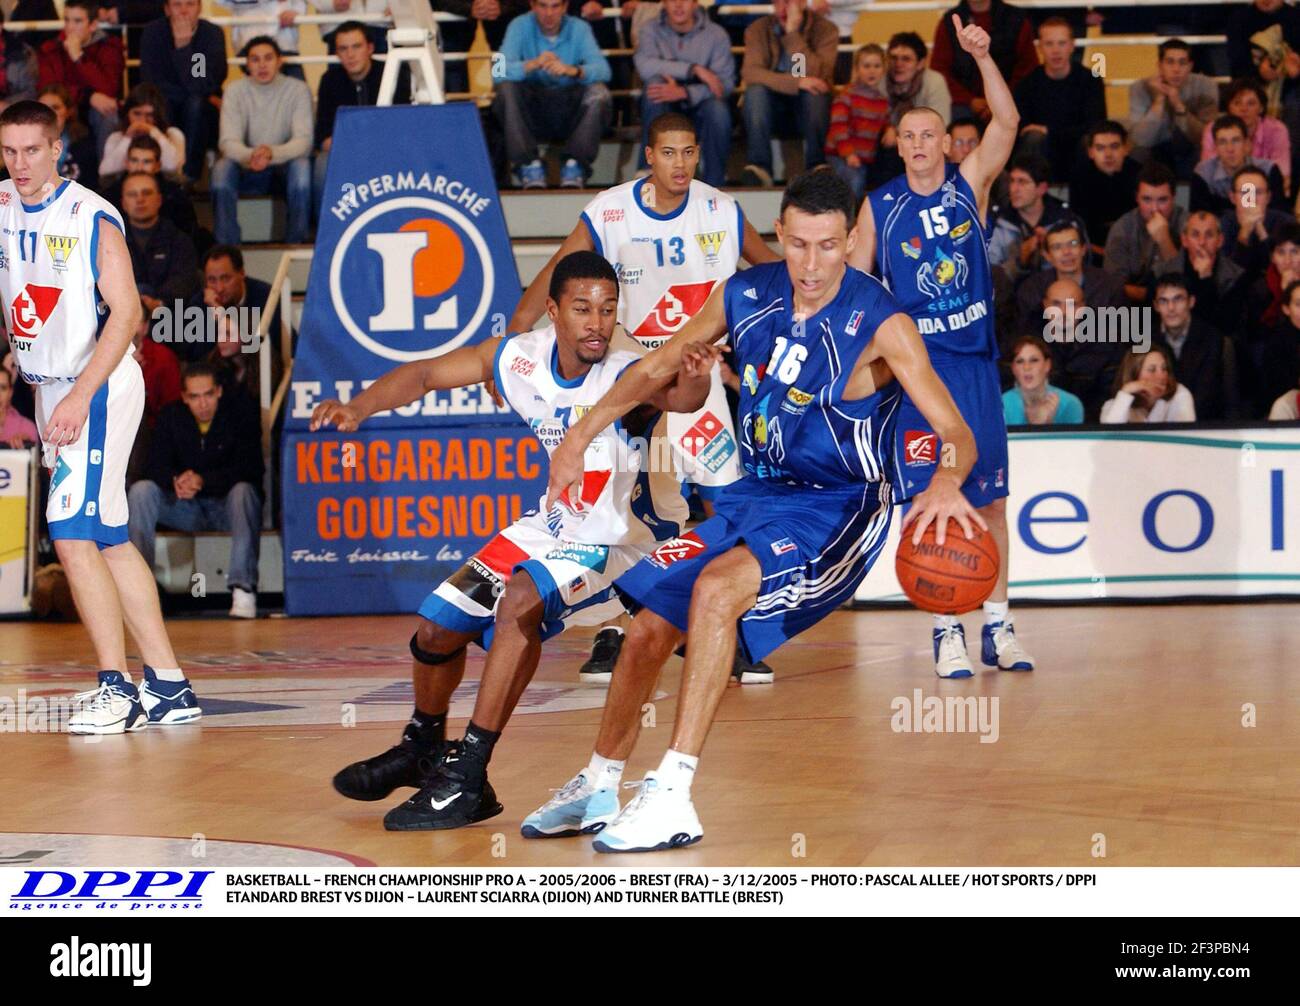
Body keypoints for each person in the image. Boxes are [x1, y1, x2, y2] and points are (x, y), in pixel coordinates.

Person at [524, 169, 983, 852]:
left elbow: (956, 432)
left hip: (837, 511)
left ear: (852, 239)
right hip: (755, 495)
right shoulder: (745, 294)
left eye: (828, 247)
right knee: (647, 622)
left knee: (714, 592)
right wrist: (578, 441)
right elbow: (653, 370)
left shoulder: (882, 321)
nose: (812, 264)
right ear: (778, 236)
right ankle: (599, 782)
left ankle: (673, 794)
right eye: (798, 245)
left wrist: (946, 483)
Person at [310, 251, 716, 828]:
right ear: (553, 312)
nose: (597, 322)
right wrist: (359, 406)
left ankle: (468, 775)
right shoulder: (518, 359)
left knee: (521, 599)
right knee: (437, 626)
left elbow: (679, 398)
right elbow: (426, 373)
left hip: (625, 540)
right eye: (582, 308)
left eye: (607, 309)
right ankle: (424, 745)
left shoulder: (629, 370)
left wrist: (696, 377)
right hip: (554, 524)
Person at [508, 111, 781, 683]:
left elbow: (772, 274)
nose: (680, 164)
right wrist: (517, 327)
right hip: (629, 378)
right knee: (633, 507)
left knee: (723, 503)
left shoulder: (721, 211)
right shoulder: (611, 211)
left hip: (692, 374)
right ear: (649, 157)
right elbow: (563, 267)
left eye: (689, 153)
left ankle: (729, 631)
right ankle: (615, 628)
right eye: (669, 153)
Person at [0, 99, 199, 733]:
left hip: (100, 383)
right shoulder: (3, 206)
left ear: (57, 149)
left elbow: (128, 314)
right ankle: (168, 685)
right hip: (51, 387)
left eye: (33, 150)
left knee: (69, 529)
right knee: (108, 536)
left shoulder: (89, 216)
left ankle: (116, 686)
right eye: (9, 151)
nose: (20, 163)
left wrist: (82, 393)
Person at [852, 14, 1034, 678]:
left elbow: (1008, 124)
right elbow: (852, 286)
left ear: (945, 142)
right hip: (920, 378)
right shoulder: (879, 206)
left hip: (978, 367)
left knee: (989, 501)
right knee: (934, 497)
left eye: (933, 134)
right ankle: (944, 632)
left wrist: (985, 60)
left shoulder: (971, 184)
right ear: (898, 145)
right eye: (911, 136)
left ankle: (999, 625)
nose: (923, 144)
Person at [128, 362, 264, 618]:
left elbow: (251, 469)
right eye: (195, 396)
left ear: (219, 392)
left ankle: (243, 588)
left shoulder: (239, 414)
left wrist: (203, 480)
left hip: (226, 507)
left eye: (208, 394)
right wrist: (175, 481)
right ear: (184, 397)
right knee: (142, 491)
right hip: (184, 507)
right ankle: (138, 589)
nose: (203, 404)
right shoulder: (171, 416)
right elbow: (154, 465)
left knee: (244, 492)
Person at [492, 0, 613, 189]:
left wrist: (573, 70)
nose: (549, 13)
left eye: (555, 6)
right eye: (543, 5)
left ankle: (575, 164)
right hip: (532, 110)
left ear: (565, 7)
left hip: (569, 109)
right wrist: (532, 64)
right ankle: (527, 164)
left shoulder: (579, 27)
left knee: (599, 92)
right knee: (505, 89)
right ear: (532, 5)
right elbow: (496, 70)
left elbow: (604, 70)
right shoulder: (518, 25)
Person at [212, 36, 312, 245]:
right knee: (221, 170)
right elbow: (227, 142)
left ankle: (296, 241)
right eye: (255, 59)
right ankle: (228, 245)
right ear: (247, 64)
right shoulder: (235, 90)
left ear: (279, 61)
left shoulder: (298, 89)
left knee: (302, 169)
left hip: (283, 165)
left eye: (268, 58)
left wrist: (271, 153)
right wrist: (251, 155)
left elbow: (304, 141)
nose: (262, 65)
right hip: (246, 164)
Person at [313, 21, 410, 217]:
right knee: (323, 165)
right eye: (343, 48)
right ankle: (327, 227)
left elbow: (402, 126)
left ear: (370, 48)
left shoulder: (393, 74)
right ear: (337, 54)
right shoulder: (329, 80)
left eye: (356, 46)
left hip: (386, 149)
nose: (350, 54)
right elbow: (322, 136)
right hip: (345, 153)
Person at [633, 0, 733, 188]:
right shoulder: (650, 29)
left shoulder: (716, 34)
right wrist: (693, 70)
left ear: (696, 3)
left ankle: (715, 184)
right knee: (655, 87)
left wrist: (685, 92)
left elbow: (723, 86)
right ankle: (648, 174)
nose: (678, 5)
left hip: (702, 105)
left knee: (718, 109)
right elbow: (645, 66)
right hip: (665, 105)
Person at [738, 0, 837, 187]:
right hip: (771, 106)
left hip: (806, 106)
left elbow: (818, 75)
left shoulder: (825, 29)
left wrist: (793, 35)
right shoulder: (758, 29)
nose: (784, 8)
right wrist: (797, 82)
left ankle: (817, 165)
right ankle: (759, 167)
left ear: (801, 3)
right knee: (755, 93)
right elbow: (751, 73)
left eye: (789, 1)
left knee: (815, 94)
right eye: (779, 2)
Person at [139, 0, 227, 182]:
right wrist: (188, 92)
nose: (184, 11)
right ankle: (164, 173)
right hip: (166, 101)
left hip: (199, 107)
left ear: (200, 8)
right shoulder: (153, 33)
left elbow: (202, 84)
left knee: (195, 104)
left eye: (190, 4)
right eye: (177, 5)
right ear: (167, 9)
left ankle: (189, 174)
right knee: (168, 102)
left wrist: (184, 48)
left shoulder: (210, 35)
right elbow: (152, 80)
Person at [1011, 16, 1104, 182]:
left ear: (1072, 46)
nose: (1056, 50)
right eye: (1049, 44)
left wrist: (1050, 131)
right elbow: (1024, 128)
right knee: (1033, 137)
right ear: (1040, 47)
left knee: (1090, 141)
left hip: (1077, 149)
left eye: (1061, 43)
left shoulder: (1090, 80)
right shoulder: (1027, 83)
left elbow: (1095, 126)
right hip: (1043, 151)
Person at [35, 0, 123, 157]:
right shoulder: (51, 48)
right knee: (48, 109)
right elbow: (49, 88)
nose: (70, 27)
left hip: (93, 112)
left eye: (77, 21)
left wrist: (79, 58)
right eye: (67, 20)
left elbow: (109, 89)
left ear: (93, 25)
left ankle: (105, 178)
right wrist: (88, 96)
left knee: (109, 115)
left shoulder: (110, 47)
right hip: (64, 107)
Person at [1014, 219, 1126, 338]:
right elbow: (1025, 337)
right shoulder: (1032, 290)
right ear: (1047, 256)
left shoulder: (1110, 286)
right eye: (1057, 247)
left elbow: (1120, 336)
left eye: (1073, 244)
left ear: (1083, 249)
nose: (1067, 252)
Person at [930, 0, 1036, 123]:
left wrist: (1002, 98)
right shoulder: (949, 22)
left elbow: (1027, 68)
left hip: (1012, 99)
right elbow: (940, 70)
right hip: (963, 106)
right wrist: (969, 100)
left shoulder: (1017, 19)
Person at [1150, 274, 1239, 421]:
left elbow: (1229, 400)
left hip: (1206, 427)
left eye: (1178, 299)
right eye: (1163, 301)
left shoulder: (1214, 339)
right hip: (1158, 427)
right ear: (1156, 306)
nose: (1171, 308)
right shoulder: (1145, 341)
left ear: (1191, 302)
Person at [1126, 38, 1219, 178]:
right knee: (1137, 154)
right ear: (1160, 65)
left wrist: (1178, 105)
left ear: (1190, 66)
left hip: (1191, 147)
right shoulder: (1140, 88)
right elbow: (1141, 140)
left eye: (1182, 63)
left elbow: (1206, 136)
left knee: (1206, 154)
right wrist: (1159, 100)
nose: (1176, 69)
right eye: (1170, 62)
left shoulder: (1206, 86)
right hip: (1156, 147)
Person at [987, 152, 1087, 280]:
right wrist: (1020, 261)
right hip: (1013, 297)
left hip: (1062, 294)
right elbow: (991, 278)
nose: (1014, 189)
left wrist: (1052, 247)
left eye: (1022, 182)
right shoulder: (998, 223)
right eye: (1012, 181)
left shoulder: (1065, 221)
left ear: (1042, 188)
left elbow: (1084, 266)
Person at [1038, 278, 1123, 419]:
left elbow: (1110, 396)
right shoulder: (1029, 346)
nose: (1064, 312)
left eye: (1072, 305)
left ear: (1083, 307)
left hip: (1093, 429)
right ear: (1045, 306)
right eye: (1056, 304)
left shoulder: (1107, 347)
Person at [1104, 161, 1186, 305]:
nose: (1155, 209)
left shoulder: (1188, 225)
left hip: (1178, 305)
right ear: (1137, 198)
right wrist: (1151, 296)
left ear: (1174, 198)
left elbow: (1184, 284)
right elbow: (1113, 287)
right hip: (1132, 306)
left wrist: (1164, 241)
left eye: (1163, 200)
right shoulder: (1122, 229)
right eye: (1147, 199)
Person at [1154, 211, 1248, 336]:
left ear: (1220, 241)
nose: (1202, 242)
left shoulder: (1235, 276)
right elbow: (1152, 322)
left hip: (1213, 345)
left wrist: (1205, 279)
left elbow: (1225, 326)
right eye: (1195, 235)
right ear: (1184, 240)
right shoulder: (1162, 272)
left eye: (1209, 235)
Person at [122, 170, 199, 316]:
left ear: (159, 200)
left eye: (147, 193)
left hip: (171, 318)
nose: (140, 200)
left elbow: (184, 281)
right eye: (133, 194)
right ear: (124, 203)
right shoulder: (111, 240)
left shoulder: (180, 241)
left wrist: (159, 302)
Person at [825, 43, 892, 201]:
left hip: (864, 157)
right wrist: (848, 153)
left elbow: (886, 120)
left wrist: (890, 129)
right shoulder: (847, 96)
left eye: (877, 66)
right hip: (841, 155)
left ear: (884, 69)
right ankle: (849, 219)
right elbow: (838, 127)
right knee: (854, 183)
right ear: (856, 69)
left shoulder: (882, 100)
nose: (871, 71)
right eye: (866, 66)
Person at [1200, 79, 1291, 194]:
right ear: (1228, 107)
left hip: (1262, 197)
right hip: (1222, 194)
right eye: (1237, 103)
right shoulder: (1213, 129)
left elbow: (1281, 176)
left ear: (1261, 108)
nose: (1244, 109)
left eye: (1251, 103)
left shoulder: (1277, 130)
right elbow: (1208, 172)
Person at [1191, 113, 1287, 216]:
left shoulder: (1269, 170)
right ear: (1215, 148)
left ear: (1247, 144)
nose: (1230, 149)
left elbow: (1280, 216)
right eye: (1222, 142)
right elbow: (1200, 219)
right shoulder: (1203, 174)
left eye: (1236, 140)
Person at [1068, 120, 1141, 251]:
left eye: (1114, 147)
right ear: (1090, 152)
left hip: (1135, 248)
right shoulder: (1079, 177)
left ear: (1126, 148)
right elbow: (1079, 225)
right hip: (1092, 249)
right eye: (1100, 148)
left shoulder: (1140, 175)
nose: (1108, 155)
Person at [99, 82, 185, 180]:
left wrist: (154, 132)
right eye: (137, 114)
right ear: (127, 114)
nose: (143, 121)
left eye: (149, 115)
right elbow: (105, 171)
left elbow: (172, 167)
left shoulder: (173, 134)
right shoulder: (117, 137)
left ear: (158, 116)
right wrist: (128, 138)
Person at [1222, 163, 1292, 279]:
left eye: (1258, 192)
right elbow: (1226, 278)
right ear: (1232, 198)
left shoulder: (1286, 224)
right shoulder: (1222, 225)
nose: (1251, 199)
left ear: (1268, 197)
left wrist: (1261, 231)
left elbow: (1283, 270)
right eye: (1245, 193)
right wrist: (1244, 233)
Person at [1001, 335, 1083, 425]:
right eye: (1020, 361)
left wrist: (1049, 424)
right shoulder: (1000, 406)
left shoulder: (1070, 404)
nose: (1027, 367)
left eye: (1034, 360)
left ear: (1047, 365)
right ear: (1013, 368)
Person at [1100, 345, 1196, 422]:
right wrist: (1127, 391)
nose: (1161, 376)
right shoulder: (1114, 404)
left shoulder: (1179, 394)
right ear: (1134, 373)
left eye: (1164, 369)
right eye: (1152, 370)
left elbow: (1184, 437)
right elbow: (1109, 438)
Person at [218, 0, 307, 80]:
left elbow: (301, 3)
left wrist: (297, 11)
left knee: (297, 90)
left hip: (286, 43)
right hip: (250, 42)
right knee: (258, 94)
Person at [36, 82, 96, 189]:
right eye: (43, 108)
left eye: (55, 107)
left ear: (68, 111)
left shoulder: (84, 143)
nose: (49, 113)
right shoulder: (23, 143)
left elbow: (91, 186)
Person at [886, 31, 952, 128]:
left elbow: (941, 125)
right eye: (893, 58)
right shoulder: (880, 81)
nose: (898, 64)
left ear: (920, 63)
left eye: (906, 59)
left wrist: (897, 132)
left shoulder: (934, 82)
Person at [0, 365, 39, 447]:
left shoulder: (27, 428)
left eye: (3, 388)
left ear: (10, 393)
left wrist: (26, 445)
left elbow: (33, 457)